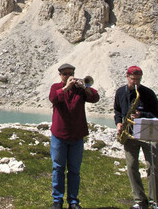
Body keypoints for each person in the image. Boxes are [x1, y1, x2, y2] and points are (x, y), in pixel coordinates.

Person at [49, 63, 99, 209]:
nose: (68, 76)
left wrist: (85, 87)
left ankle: (73, 201)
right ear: (60, 75)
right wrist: (66, 87)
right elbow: (54, 98)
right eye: (65, 74)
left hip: (77, 135)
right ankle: (57, 200)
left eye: (70, 73)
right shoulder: (55, 87)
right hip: (59, 135)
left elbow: (95, 98)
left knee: (74, 170)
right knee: (58, 168)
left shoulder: (80, 89)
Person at [114, 66, 158, 209]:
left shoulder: (148, 93)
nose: (136, 82)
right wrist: (118, 123)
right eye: (133, 79)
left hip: (148, 133)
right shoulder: (120, 92)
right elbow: (117, 110)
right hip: (129, 133)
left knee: (153, 166)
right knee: (131, 166)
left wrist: (142, 115)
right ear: (127, 76)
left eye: (138, 80)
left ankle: (156, 202)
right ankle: (140, 200)